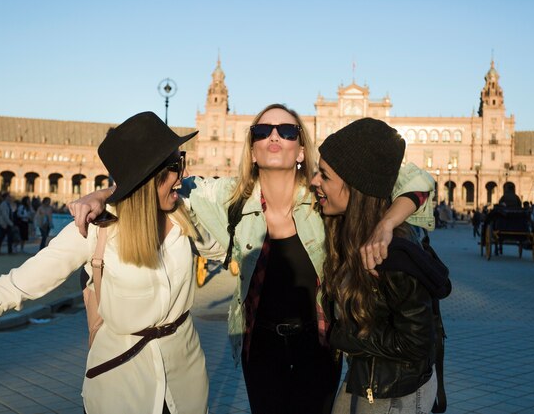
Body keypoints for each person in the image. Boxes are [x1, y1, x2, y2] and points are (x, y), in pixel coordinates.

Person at [69, 104, 435, 414]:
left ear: (302, 149)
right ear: (252, 147)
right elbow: (154, 180)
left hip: (322, 343)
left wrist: (387, 223)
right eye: (263, 130)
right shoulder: (227, 197)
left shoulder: (323, 195)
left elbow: (413, 176)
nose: (274, 136)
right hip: (258, 345)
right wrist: (105, 193)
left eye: (287, 131)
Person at [0, 111, 223, 414]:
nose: (184, 173)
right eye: (178, 165)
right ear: (150, 175)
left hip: (185, 381)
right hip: (120, 382)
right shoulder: (96, 228)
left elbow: (234, 230)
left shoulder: (186, 213)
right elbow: (16, 286)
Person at [312, 118, 447, 414]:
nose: (314, 182)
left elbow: (416, 344)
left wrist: (341, 335)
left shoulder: (390, 255)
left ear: (355, 186)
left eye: (324, 175)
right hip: (367, 380)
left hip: (396, 393)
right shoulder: (348, 232)